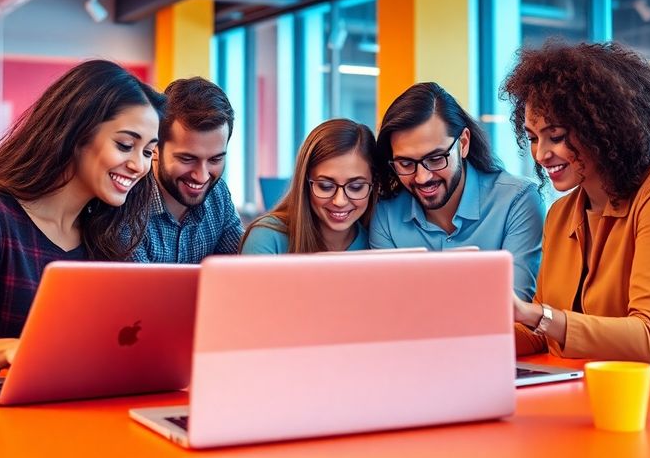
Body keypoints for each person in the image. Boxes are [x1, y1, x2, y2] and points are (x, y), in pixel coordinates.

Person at [0, 60, 163, 379]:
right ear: (76, 132)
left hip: (78, 406)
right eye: (125, 145)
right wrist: (6, 349)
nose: (138, 165)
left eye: (148, 152)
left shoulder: (106, 234)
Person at [502, 41, 650, 369]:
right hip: (582, 391)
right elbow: (542, 332)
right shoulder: (560, 214)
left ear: (603, 129)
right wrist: (469, 333)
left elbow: (649, 337)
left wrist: (535, 315)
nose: (541, 154)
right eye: (532, 137)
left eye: (555, 136)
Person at [370, 82, 544, 301]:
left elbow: (515, 311)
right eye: (405, 164)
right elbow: (389, 307)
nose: (422, 177)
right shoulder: (386, 214)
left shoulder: (517, 201)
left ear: (463, 143)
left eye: (435, 159)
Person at [132, 77, 243, 264]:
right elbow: (141, 291)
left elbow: (241, 269)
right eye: (187, 159)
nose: (202, 176)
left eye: (215, 159)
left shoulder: (218, 196)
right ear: (155, 148)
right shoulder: (126, 206)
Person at [240, 119, 377, 254]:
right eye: (325, 186)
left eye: (356, 187)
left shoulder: (378, 242)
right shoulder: (266, 238)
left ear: (373, 184)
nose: (339, 201)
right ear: (305, 183)